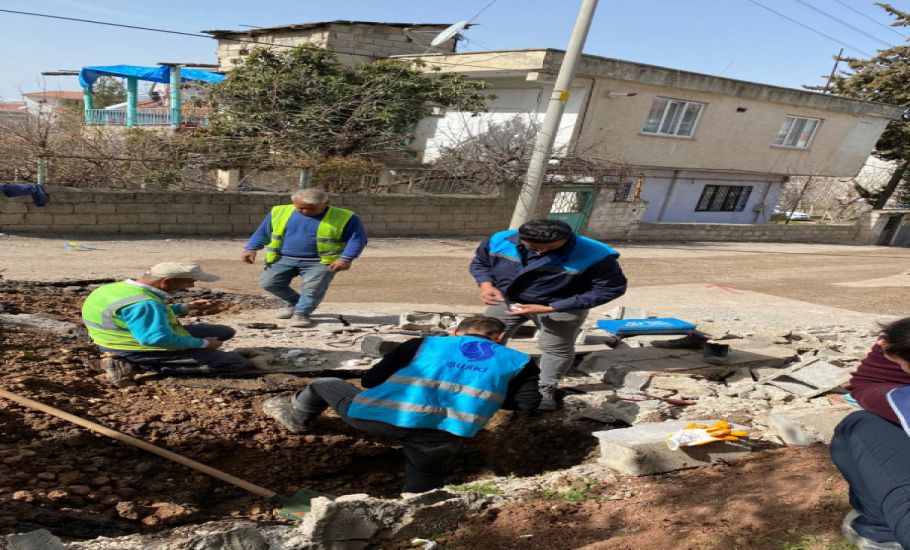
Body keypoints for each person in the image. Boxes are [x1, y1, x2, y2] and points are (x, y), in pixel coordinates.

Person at [261, 317, 541, 493]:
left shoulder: (424, 344)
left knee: (324, 383)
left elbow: (370, 381)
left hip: (375, 417)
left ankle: (297, 419)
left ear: (455, 333)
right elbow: (527, 404)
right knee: (426, 482)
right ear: (501, 338)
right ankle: (414, 516)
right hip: (441, 434)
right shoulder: (519, 361)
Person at [469, 219, 627, 411]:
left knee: (555, 347)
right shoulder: (499, 240)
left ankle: (544, 389)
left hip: (562, 304)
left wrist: (552, 307)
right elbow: (481, 262)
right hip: (509, 300)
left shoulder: (595, 254)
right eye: (534, 247)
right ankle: (478, 380)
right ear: (520, 238)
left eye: (551, 248)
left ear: (567, 239)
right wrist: (486, 284)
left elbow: (609, 289)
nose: (541, 252)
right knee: (485, 339)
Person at [81, 262, 250, 388]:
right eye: (188, 282)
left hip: (120, 337)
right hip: (135, 348)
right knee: (233, 362)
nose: (191, 286)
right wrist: (204, 344)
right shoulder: (144, 303)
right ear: (167, 282)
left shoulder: (117, 288)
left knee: (224, 332)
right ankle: (137, 364)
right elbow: (156, 339)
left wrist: (185, 308)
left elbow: (136, 316)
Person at [830, 316, 910, 549]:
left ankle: (883, 530)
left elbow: (867, 383)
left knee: (858, 425)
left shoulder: (900, 400)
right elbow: (869, 379)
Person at [241, 188, 367, 328]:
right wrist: (251, 248)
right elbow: (262, 232)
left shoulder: (346, 217)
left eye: (311, 209)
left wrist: (346, 258)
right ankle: (294, 302)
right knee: (269, 283)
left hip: (321, 261)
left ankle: (302, 313)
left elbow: (357, 240)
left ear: (327, 203)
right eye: (300, 208)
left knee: (313, 289)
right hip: (282, 258)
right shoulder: (279, 212)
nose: (305, 211)